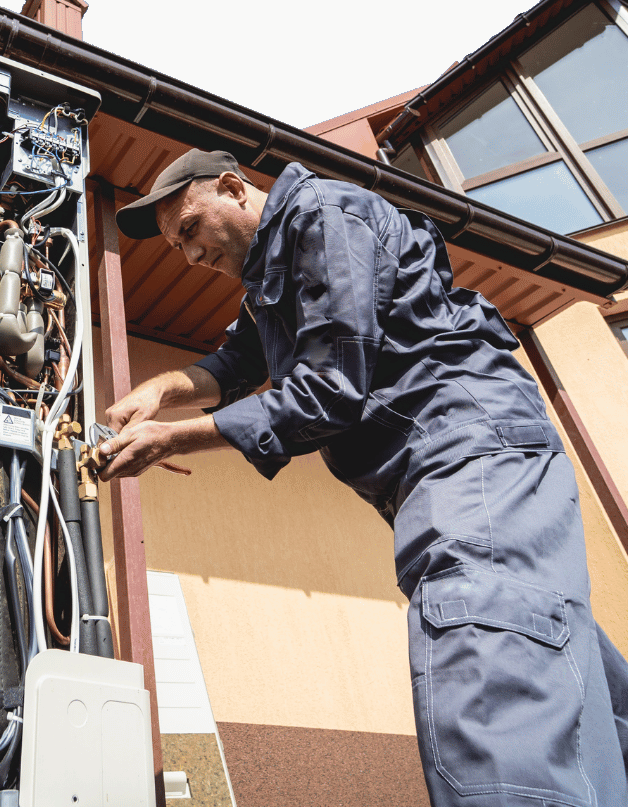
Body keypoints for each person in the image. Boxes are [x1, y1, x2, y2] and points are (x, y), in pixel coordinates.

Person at [97, 148, 628, 807]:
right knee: (568, 675)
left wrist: (175, 437)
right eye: (176, 245)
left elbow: (332, 388)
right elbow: (240, 357)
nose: (188, 255)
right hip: (467, 469)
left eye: (189, 231)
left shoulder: (324, 214)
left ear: (234, 189)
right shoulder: (275, 275)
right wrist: (161, 392)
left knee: (489, 667)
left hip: (469, 451)